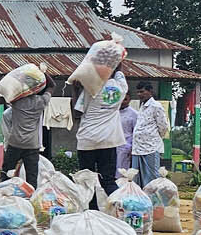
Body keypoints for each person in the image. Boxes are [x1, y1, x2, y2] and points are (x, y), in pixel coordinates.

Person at [70, 70, 128, 206]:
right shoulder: (121, 88)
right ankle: (121, 208)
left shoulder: (91, 88)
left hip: (87, 140)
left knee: (87, 181)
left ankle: (92, 211)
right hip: (109, 140)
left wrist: (75, 90)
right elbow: (119, 70)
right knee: (108, 180)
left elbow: (77, 113)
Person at [0, 74, 50, 187]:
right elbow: (52, 86)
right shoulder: (42, 101)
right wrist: (42, 73)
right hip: (32, 145)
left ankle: (4, 193)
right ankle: (31, 195)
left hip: (15, 143)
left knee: (7, 173)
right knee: (32, 177)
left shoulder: (16, 100)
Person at [128, 83, 170, 189]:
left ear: (150, 92)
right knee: (136, 177)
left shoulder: (156, 106)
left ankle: (153, 198)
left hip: (151, 147)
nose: (139, 94)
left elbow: (163, 126)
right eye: (138, 92)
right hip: (137, 148)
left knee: (152, 178)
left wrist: (153, 137)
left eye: (142, 91)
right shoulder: (142, 106)